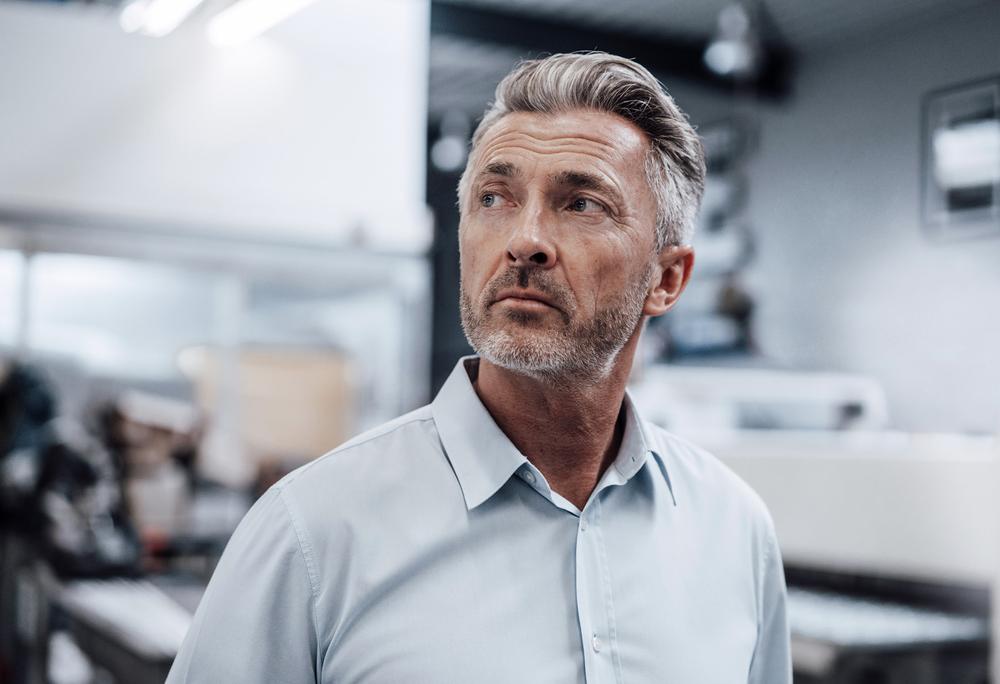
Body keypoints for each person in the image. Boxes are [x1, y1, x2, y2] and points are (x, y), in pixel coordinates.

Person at [167, 51, 791, 683]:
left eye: (581, 204)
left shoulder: (733, 530)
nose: (525, 239)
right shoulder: (311, 532)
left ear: (666, 278)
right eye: (495, 197)